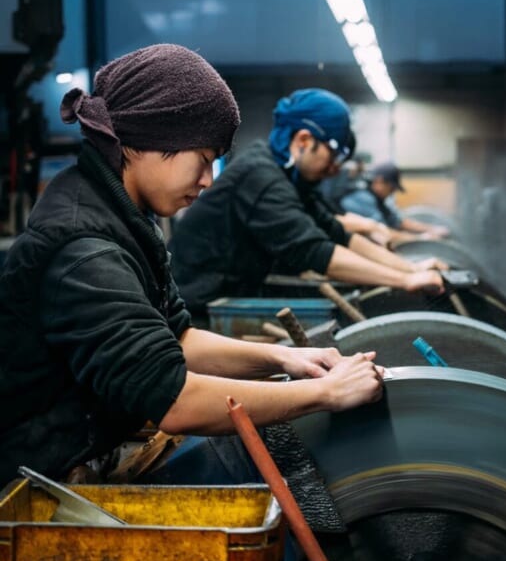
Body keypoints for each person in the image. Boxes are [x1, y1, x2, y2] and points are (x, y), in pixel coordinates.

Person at [0, 45, 385, 489]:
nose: (207, 179)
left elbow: (177, 337)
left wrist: (287, 358)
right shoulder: (84, 249)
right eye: (202, 158)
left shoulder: (123, 217)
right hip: (29, 486)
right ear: (145, 139)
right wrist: (324, 393)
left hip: (83, 454)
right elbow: (176, 401)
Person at [168, 88, 445, 320]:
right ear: (304, 140)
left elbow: (337, 234)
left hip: (232, 295)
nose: (334, 170)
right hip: (197, 308)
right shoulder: (261, 176)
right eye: (332, 156)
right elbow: (314, 251)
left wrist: (411, 268)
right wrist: (404, 281)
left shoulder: (290, 178)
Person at [341, 160, 450, 240]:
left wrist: (431, 229)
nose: (392, 193)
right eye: (392, 188)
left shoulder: (378, 199)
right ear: (379, 181)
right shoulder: (362, 198)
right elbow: (381, 232)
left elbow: (398, 221)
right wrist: (420, 238)